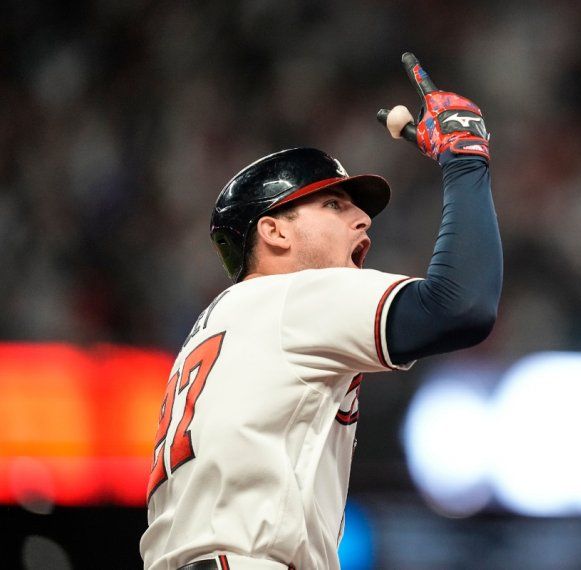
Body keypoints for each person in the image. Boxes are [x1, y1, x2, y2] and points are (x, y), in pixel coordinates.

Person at [140, 53, 502, 570]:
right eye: (333, 205)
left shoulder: (223, 323)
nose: (361, 218)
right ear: (274, 231)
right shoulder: (291, 298)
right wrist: (465, 162)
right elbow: (461, 305)